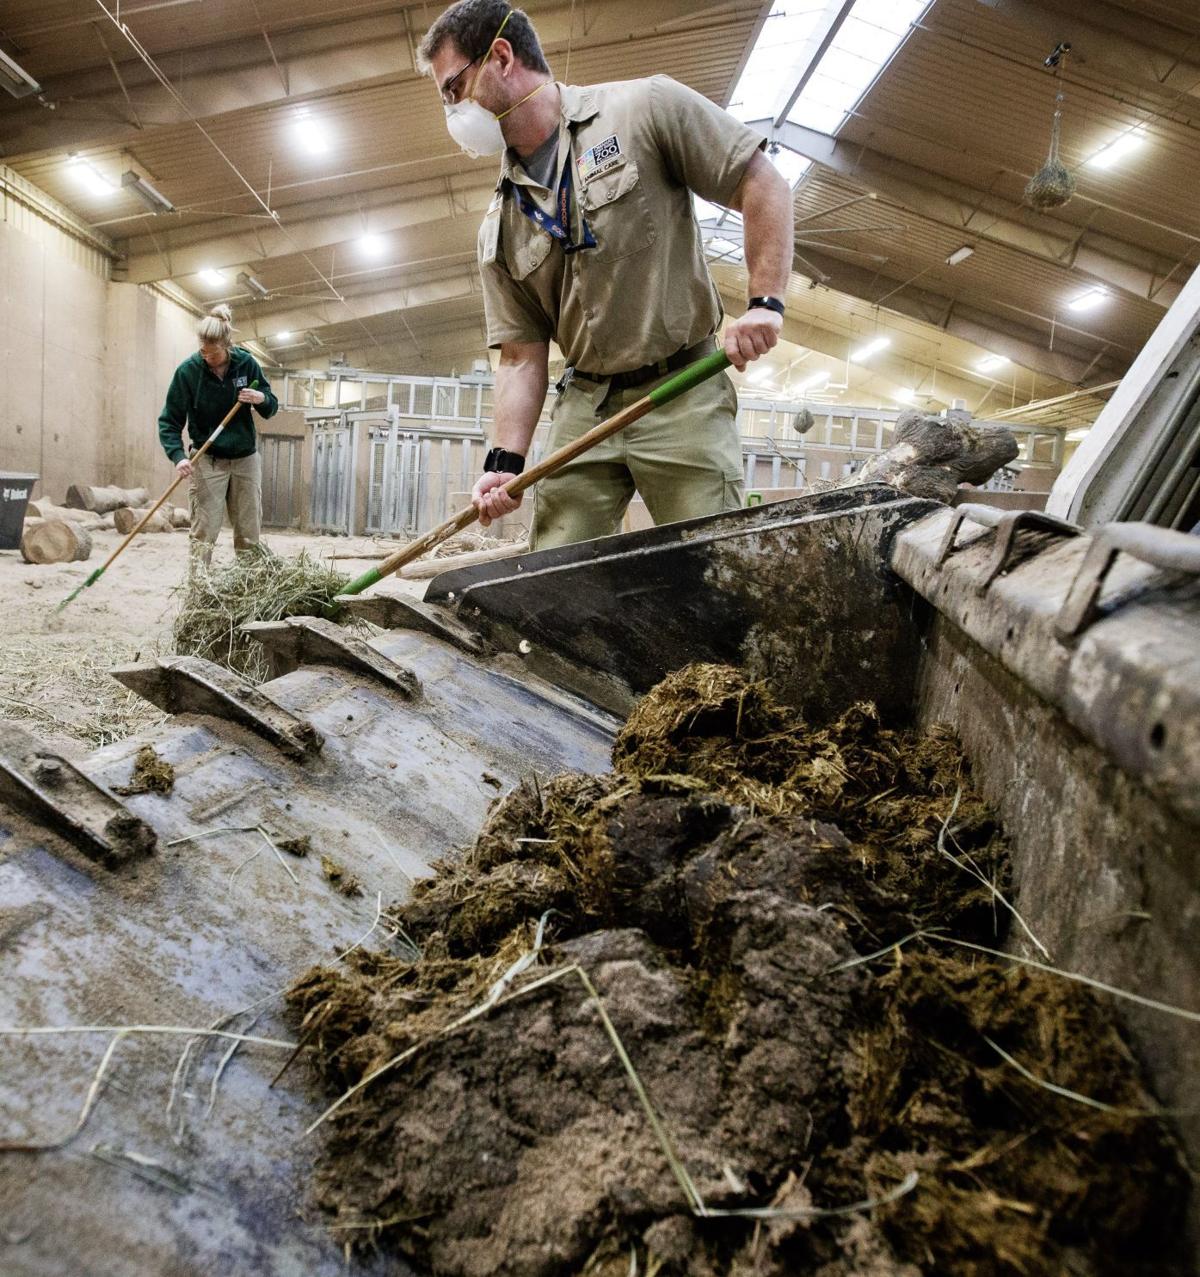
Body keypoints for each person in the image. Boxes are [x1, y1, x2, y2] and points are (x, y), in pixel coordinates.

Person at [418, 0, 793, 550]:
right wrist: (506, 461)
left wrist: (766, 302)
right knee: (552, 571)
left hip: (682, 388)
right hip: (586, 405)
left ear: (500, 56)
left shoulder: (645, 108)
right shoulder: (499, 226)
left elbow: (760, 183)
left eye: (453, 90)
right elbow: (521, 358)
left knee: (711, 561)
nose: (452, 112)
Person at [157, 304, 278, 567]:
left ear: (226, 346)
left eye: (213, 353)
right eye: (203, 351)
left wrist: (259, 398)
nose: (207, 357)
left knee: (248, 532)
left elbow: (271, 406)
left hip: (245, 459)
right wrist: (178, 457)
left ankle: (251, 589)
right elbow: (169, 420)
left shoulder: (246, 364)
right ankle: (200, 591)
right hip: (207, 459)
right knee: (204, 531)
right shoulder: (188, 372)